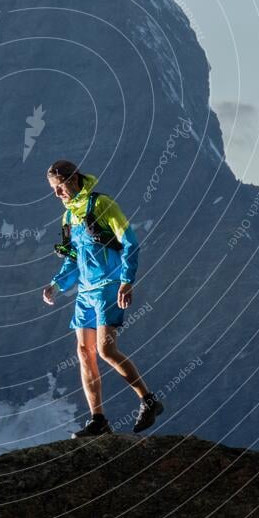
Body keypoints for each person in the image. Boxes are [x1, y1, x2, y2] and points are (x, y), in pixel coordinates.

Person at [43, 159, 163, 438]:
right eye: (53, 189)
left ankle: (149, 401)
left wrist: (126, 281)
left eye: (59, 187)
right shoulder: (68, 217)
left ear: (73, 180)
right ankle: (99, 420)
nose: (57, 194)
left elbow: (130, 242)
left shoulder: (102, 205)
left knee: (105, 351)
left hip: (108, 287)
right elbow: (73, 258)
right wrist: (55, 285)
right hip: (84, 293)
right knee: (84, 353)